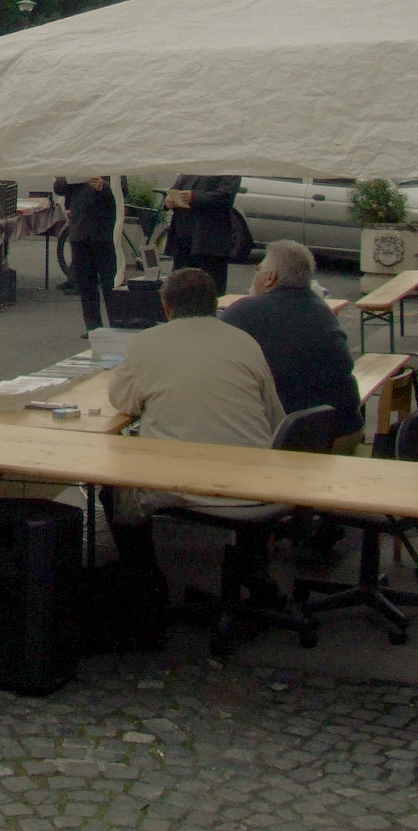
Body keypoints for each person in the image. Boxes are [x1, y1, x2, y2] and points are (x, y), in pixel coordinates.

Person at [104, 267, 287, 635]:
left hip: (186, 484)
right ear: (215, 304)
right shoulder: (244, 342)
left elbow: (122, 400)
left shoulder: (147, 343)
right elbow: (274, 417)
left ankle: (148, 583)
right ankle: (254, 569)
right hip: (256, 485)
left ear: (166, 306)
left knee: (114, 486)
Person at [222, 239, 363, 446]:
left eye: (258, 269)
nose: (255, 275)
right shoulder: (321, 309)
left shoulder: (244, 312)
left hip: (295, 438)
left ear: (270, 278)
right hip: (346, 429)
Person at [53, 175, 121, 335]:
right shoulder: (77, 169)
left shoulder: (107, 167)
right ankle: (93, 327)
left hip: (103, 232)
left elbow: (121, 189)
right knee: (86, 283)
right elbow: (59, 188)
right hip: (80, 232)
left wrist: (103, 186)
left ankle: (117, 324)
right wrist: (69, 177)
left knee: (110, 282)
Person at [164, 174, 241, 293]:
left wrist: (194, 197)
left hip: (209, 241)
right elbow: (175, 189)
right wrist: (168, 201)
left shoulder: (227, 169)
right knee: (179, 287)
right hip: (183, 237)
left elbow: (225, 197)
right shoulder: (190, 168)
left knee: (208, 287)